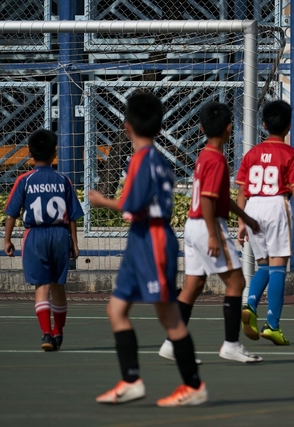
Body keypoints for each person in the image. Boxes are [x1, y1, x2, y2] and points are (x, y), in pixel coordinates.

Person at [88, 92, 207, 406]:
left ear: (127, 127)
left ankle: (193, 386)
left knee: (168, 316)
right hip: (141, 237)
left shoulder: (142, 160)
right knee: (116, 309)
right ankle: (130, 380)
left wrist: (101, 200)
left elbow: (132, 204)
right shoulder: (160, 161)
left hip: (152, 238)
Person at [158, 101, 264, 363]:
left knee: (193, 285)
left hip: (193, 227)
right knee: (237, 282)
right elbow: (207, 200)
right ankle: (230, 344)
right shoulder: (217, 160)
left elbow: (219, 197)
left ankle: (172, 343)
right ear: (229, 129)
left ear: (202, 128)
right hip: (208, 226)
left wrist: (246, 218)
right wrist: (214, 235)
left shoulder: (205, 155)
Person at [236, 100, 294, 346]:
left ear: (264, 124)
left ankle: (250, 304)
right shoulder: (291, 154)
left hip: (253, 207)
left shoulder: (252, 153)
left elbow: (242, 191)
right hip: (277, 204)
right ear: (289, 126)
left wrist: (240, 220)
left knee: (263, 266)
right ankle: (273, 326)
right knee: (279, 267)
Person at [4, 129, 83, 352]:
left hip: (35, 235)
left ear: (30, 153)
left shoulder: (25, 180)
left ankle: (46, 333)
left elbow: (12, 213)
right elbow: (73, 215)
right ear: (55, 153)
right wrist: (75, 243)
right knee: (59, 286)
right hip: (60, 235)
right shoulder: (63, 180)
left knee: (42, 286)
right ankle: (58, 332)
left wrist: (7, 239)